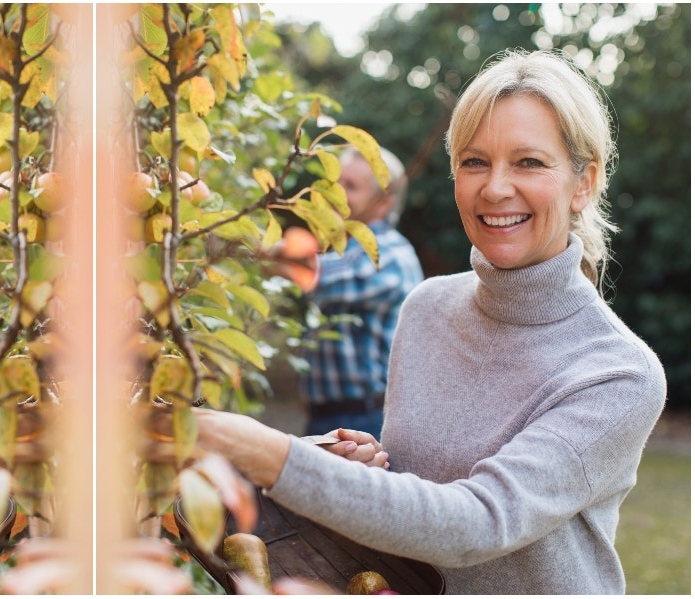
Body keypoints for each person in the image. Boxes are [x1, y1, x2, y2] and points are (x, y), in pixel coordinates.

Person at [195, 48, 665, 594]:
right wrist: (371, 466)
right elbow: (421, 499)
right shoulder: (427, 308)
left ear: (583, 182)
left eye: (529, 162)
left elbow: (479, 521)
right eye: (475, 161)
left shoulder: (618, 374)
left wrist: (264, 450)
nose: (494, 187)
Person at [302, 145, 423, 437]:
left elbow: (322, 279)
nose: (336, 195)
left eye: (350, 186)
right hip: (336, 415)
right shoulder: (351, 252)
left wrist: (262, 251)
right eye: (336, 184)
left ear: (382, 204)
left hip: (365, 420)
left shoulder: (389, 253)